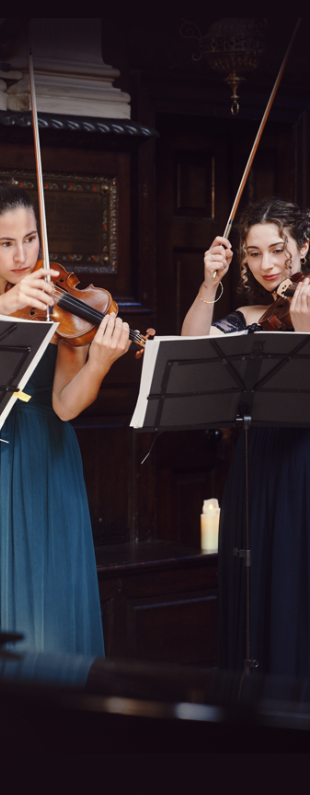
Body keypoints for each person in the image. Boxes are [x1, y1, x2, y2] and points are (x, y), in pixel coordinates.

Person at [0, 182, 134, 654]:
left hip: (49, 455)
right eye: (6, 243)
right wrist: (6, 303)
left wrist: (100, 363)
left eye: (30, 238)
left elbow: (65, 404)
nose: (23, 255)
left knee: (51, 609)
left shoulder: (59, 303)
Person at [181, 197, 310, 678]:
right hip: (257, 466)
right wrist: (209, 283)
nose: (268, 265)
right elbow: (193, 354)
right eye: (253, 254)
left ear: (303, 247)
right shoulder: (248, 315)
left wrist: (304, 334)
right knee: (260, 591)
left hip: (304, 465)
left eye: (279, 250)